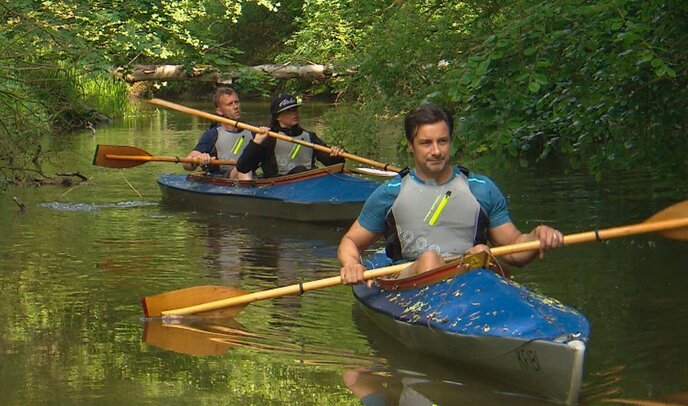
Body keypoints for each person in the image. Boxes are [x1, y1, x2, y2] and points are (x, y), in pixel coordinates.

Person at [338, 104, 564, 285]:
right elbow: (351, 242)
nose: (436, 151)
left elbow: (514, 249)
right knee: (430, 259)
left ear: (450, 141)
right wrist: (351, 264)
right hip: (412, 280)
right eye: (426, 143)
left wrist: (536, 237)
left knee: (481, 252)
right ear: (410, 145)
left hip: (471, 276)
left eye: (442, 141)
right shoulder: (390, 193)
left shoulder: (481, 188)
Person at [235, 93, 346, 178]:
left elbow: (333, 165)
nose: (294, 113)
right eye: (288, 111)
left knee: (301, 170)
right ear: (277, 117)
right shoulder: (269, 139)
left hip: (308, 184)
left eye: (295, 109)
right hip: (278, 187)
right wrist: (256, 143)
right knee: (300, 170)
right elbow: (243, 167)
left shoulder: (309, 137)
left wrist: (336, 156)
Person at [183, 87, 255, 180]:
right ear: (219, 111)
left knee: (245, 168)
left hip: (250, 176)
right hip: (222, 178)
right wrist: (197, 159)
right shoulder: (212, 135)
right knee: (243, 168)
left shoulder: (252, 131)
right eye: (230, 104)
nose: (235, 107)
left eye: (236, 102)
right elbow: (187, 164)